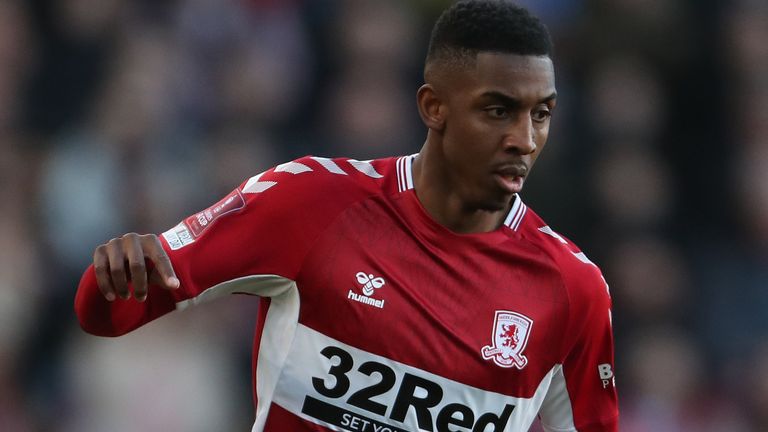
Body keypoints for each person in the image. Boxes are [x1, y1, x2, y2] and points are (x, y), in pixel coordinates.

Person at [74, 1, 619, 431]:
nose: (523, 140)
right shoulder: (311, 202)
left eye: (541, 115)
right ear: (434, 107)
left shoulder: (572, 289)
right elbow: (108, 314)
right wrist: (113, 277)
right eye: (498, 110)